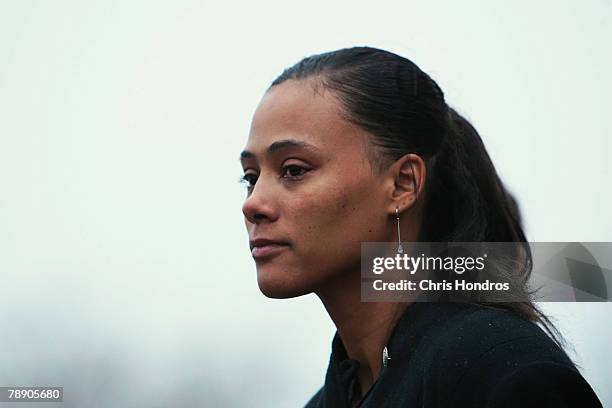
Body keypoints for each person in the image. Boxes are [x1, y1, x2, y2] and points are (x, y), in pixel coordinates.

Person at [239, 46, 603, 407]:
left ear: (402, 185)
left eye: (293, 170)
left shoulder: (501, 373)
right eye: (250, 178)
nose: (252, 203)